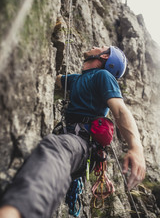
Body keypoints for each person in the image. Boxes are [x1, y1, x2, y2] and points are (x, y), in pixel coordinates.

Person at [0, 45, 146, 218]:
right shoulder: (78, 79)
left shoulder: (103, 76)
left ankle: (15, 213)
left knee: (54, 147)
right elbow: (54, 78)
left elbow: (120, 110)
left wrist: (136, 147)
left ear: (106, 56)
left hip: (81, 142)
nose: (94, 46)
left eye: (100, 47)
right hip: (72, 140)